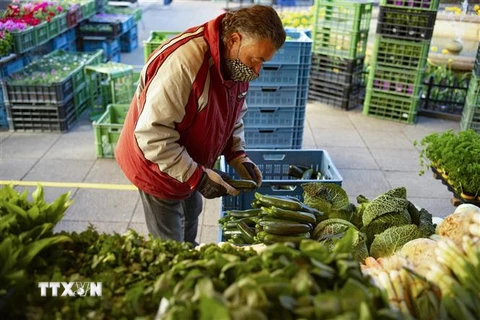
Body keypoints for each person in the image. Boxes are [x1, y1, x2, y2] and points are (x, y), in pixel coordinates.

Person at [115, 5, 286, 245]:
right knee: (170, 245)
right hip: (156, 165)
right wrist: (198, 177)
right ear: (234, 39)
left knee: (191, 214)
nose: (257, 71)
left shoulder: (237, 64)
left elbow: (233, 114)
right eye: (256, 60)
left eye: (263, 63)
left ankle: (189, 251)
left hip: (191, 159)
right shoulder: (185, 63)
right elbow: (152, 136)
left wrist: (238, 155)